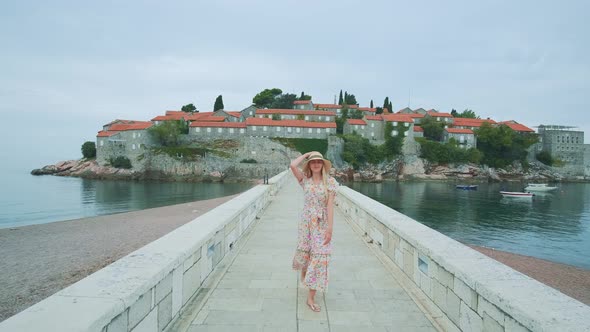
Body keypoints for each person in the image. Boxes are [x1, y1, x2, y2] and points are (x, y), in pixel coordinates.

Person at [290, 151, 339, 312]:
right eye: (313, 162)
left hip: (322, 223)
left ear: (323, 164)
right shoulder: (305, 180)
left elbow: (330, 206)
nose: (316, 164)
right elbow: (292, 165)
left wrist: (330, 228)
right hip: (306, 223)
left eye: (319, 161)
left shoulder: (330, 182)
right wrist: (306, 154)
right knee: (307, 253)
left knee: (320, 256)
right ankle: (306, 277)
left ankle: (311, 297)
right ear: (310, 165)